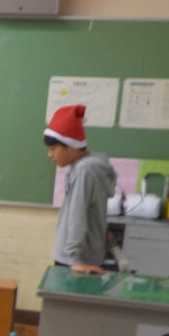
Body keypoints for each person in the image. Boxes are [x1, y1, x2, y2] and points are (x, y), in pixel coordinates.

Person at [44, 104, 117, 275]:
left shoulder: (85, 170)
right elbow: (91, 209)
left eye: (53, 148)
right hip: (81, 256)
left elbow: (77, 214)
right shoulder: (81, 166)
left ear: (71, 146)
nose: (50, 154)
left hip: (75, 260)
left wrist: (75, 260)